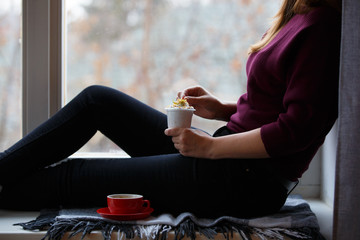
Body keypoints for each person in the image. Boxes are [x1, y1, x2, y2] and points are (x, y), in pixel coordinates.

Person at [0, 0, 341, 218]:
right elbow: (275, 101)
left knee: (70, 178)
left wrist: (210, 147)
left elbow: (297, 129)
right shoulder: (296, 12)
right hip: (230, 163)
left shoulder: (322, 25)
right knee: (97, 101)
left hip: (247, 183)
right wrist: (222, 109)